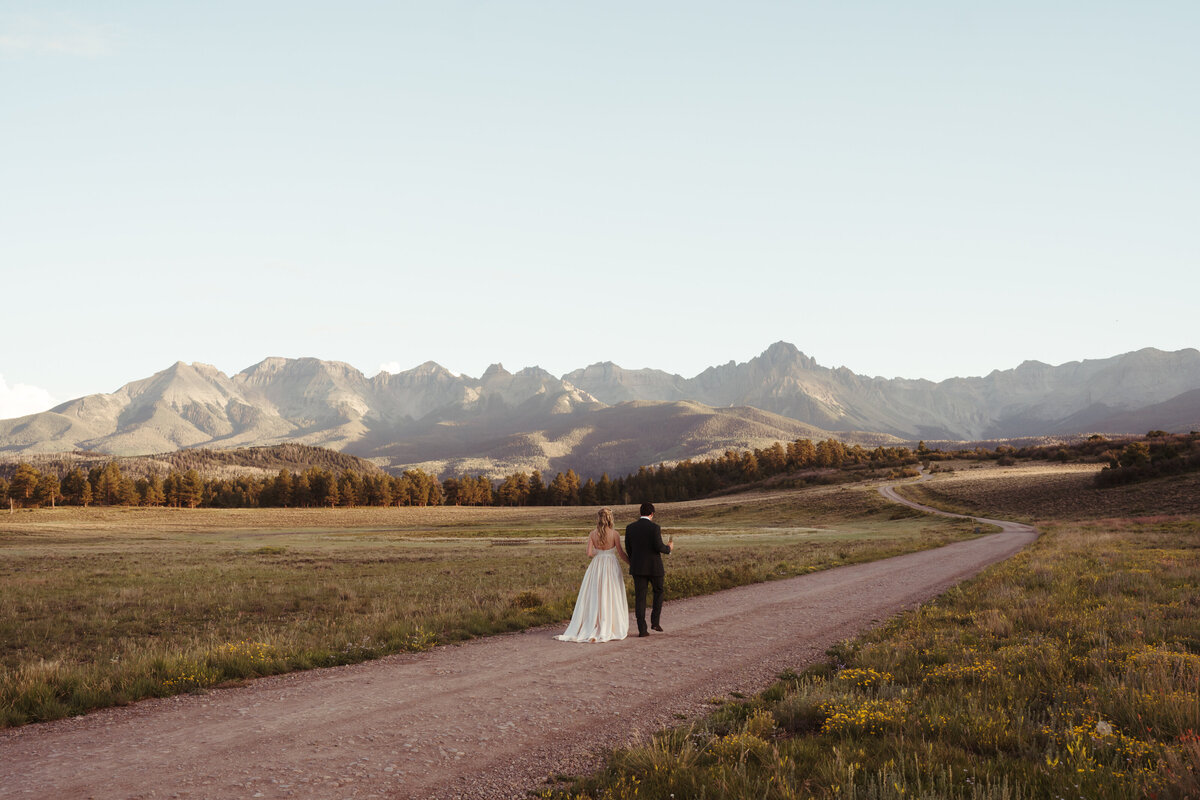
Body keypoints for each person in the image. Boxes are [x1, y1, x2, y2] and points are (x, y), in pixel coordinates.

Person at [555, 508, 631, 643]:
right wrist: (631, 563)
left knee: (595, 594)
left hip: (597, 566)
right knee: (610, 593)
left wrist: (599, 552)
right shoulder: (615, 534)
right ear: (610, 519)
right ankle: (609, 623)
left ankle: (593, 622)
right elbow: (621, 553)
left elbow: (589, 553)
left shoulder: (592, 534)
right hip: (610, 565)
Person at [624, 502, 673, 637]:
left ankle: (642, 630)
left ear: (640, 513)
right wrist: (668, 548)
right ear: (652, 514)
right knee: (658, 591)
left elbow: (628, 548)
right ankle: (655, 622)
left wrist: (634, 560)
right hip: (654, 567)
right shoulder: (655, 528)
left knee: (640, 597)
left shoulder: (630, 528)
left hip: (637, 567)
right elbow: (658, 546)